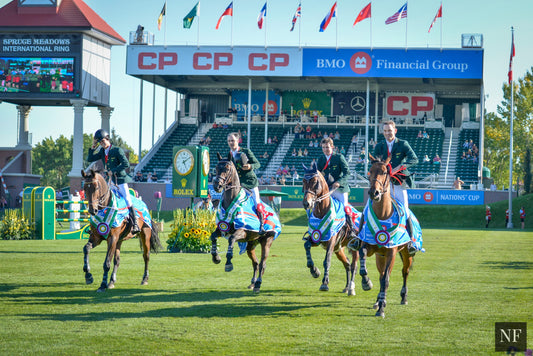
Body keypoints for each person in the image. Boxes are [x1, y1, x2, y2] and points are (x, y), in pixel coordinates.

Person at [373, 120, 418, 252]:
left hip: (398, 181)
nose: (387, 133)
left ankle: (411, 241)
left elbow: (414, 159)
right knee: (369, 207)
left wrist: (400, 167)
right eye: (385, 131)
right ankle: (361, 237)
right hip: (382, 184)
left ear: (395, 131)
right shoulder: (379, 145)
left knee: (405, 209)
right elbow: (374, 162)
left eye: (390, 130)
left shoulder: (403, 144)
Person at [87, 129, 140, 234]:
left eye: (103, 141)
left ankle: (135, 224)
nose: (102, 144)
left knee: (128, 200)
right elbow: (90, 158)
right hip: (110, 181)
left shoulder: (117, 150)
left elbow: (126, 164)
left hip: (120, 180)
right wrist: (93, 146)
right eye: (100, 142)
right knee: (104, 200)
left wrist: (113, 171)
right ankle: (97, 226)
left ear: (107, 139)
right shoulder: (102, 151)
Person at [226, 132, 268, 233]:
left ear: (238, 141)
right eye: (229, 141)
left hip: (250, 183)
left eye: (233, 140)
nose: (231, 143)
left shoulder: (246, 151)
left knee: (257, 202)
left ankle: (261, 226)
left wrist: (250, 166)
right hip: (238, 185)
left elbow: (257, 164)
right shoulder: (229, 155)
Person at [317, 137, 357, 238]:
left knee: (345, 206)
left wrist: (339, 182)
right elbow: (317, 174)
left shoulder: (339, 157)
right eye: (323, 147)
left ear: (332, 147)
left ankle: (351, 229)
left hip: (340, 188)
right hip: (327, 189)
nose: (325, 149)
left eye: (327, 147)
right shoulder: (321, 159)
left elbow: (347, 173)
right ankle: (316, 229)